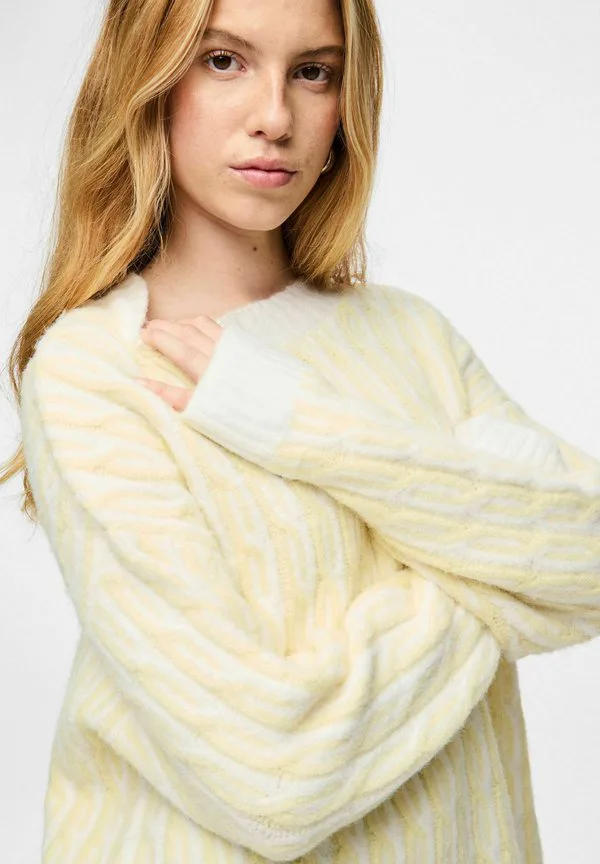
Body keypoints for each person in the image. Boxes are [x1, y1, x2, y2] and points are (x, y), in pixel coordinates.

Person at [2, 0, 600, 861]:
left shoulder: (411, 336)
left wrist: (287, 420)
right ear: (147, 78)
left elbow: (591, 554)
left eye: (313, 72)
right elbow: (272, 778)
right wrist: (502, 560)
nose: (275, 117)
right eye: (223, 61)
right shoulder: (97, 372)